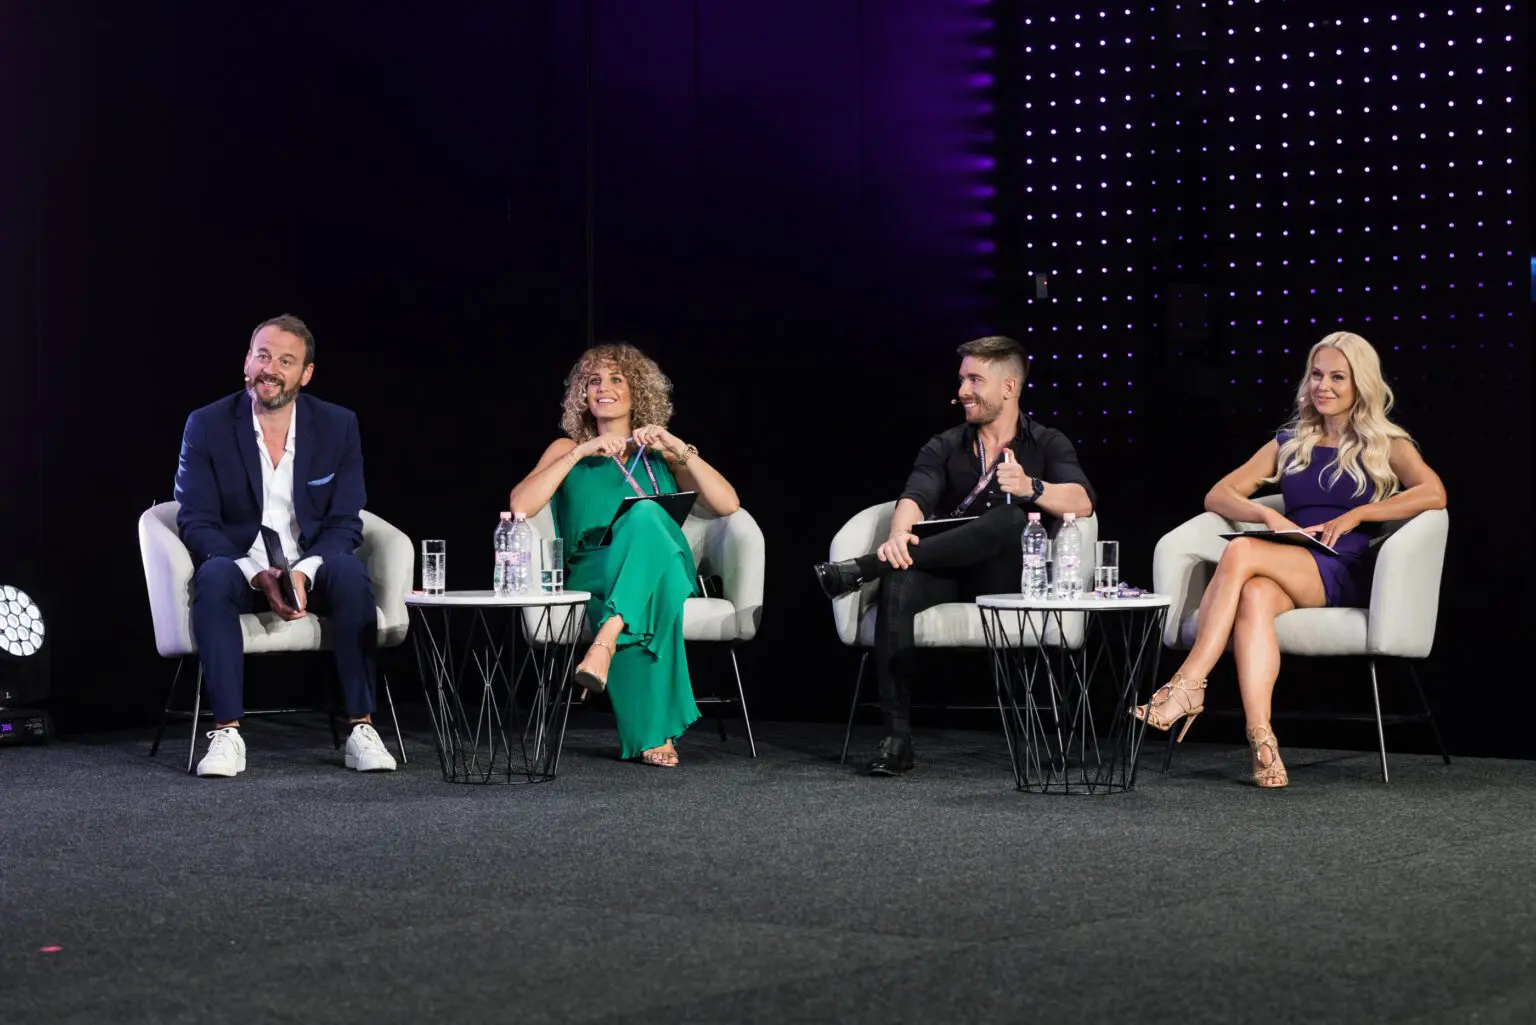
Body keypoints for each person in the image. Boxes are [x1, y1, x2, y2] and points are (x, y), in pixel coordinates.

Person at [1131, 331, 1447, 788]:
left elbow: (1434, 493)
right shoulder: (1290, 442)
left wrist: (1360, 513)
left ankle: (1188, 685)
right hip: (1292, 559)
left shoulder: (1385, 443)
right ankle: (1262, 741)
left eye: (1338, 377)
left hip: (1343, 566)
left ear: (1360, 384)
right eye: (1317, 374)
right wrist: (1265, 514)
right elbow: (1218, 494)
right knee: (1255, 594)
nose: (1323, 386)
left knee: (1241, 549)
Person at [813, 336, 1096, 776]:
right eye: (962, 379)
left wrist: (1031, 487)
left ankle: (865, 568)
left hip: (1006, 576)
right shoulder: (944, 444)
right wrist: (898, 537)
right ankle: (896, 738)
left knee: (1011, 519)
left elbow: (1083, 501)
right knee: (899, 575)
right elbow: (915, 496)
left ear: (1009, 387)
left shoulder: (1046, 442)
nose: (963, 391)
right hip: (943, 569)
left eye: (975, 380)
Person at [174, 314, 397, 778]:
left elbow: (345, 520)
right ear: (246, 362)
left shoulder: (338, 425)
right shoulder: (207, 424)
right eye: (263, 355)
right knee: (212, 578)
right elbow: (196, 519)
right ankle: (226, 733)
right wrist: (257, 573)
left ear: (306, 373)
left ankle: (361, 727)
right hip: (242, 563)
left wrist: (304, 571)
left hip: (311, 562)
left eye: (286, 361)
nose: (270, 369)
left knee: (351, 574)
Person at [509, 343, 740, 768]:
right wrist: (581, 452)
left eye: (616, 379)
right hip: (594, 566)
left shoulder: (660, 454)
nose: (604, 388)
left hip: (659, 560)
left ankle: (606, 639)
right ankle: (653, 732)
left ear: (637, 392)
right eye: (594, 381)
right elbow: (520, 506)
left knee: (647, 516)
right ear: (583, 395)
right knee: (653, 587)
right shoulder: (567, 448)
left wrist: (677, 445)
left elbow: (728, 504)